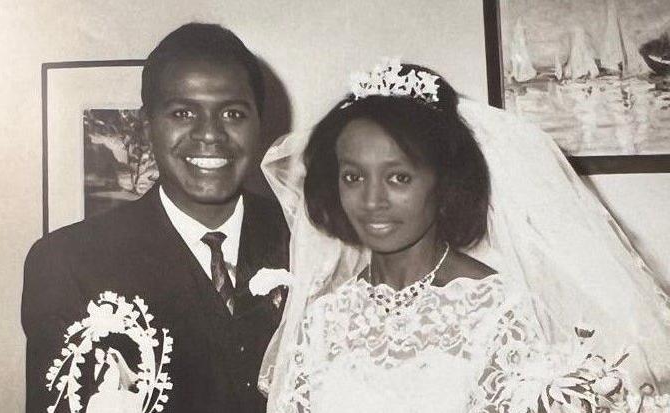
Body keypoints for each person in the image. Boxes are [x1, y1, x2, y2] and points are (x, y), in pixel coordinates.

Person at [258, 60, 670, 412]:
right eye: (353, 177)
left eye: (399, 177)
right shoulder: (323, 318)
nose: (372, 200)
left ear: (445, 182)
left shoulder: (500, 310)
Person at [22, 23, 289, 413]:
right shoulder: (66, 262)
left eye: (233, 113)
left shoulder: (308, 240)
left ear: (259, 125)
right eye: (183, 113)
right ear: (146, 127)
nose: (210, 135)